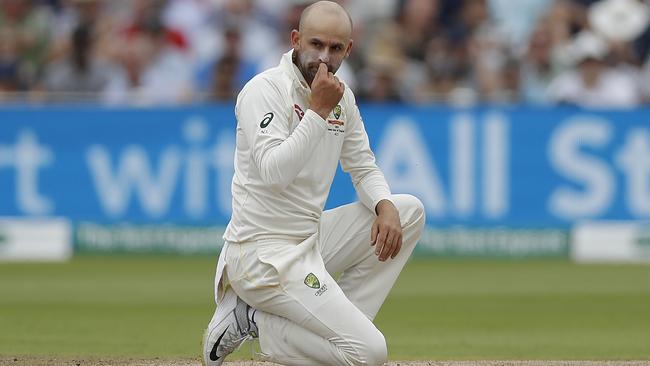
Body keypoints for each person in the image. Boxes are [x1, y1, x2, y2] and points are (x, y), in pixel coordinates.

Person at [202, 2, 425, 365]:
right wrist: (318, 112)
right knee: (370, 353)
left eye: (335, 48)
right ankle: (251, 318)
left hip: (308, 240)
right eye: (316, 44)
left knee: (407, 211)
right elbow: (274, 173)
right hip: (261, 253)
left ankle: (335, 337)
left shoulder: (341, 98)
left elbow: (363, 167)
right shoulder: (264, 90)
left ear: (348, 49)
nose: (324, 58)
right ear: (296, 40)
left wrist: (384, 207)